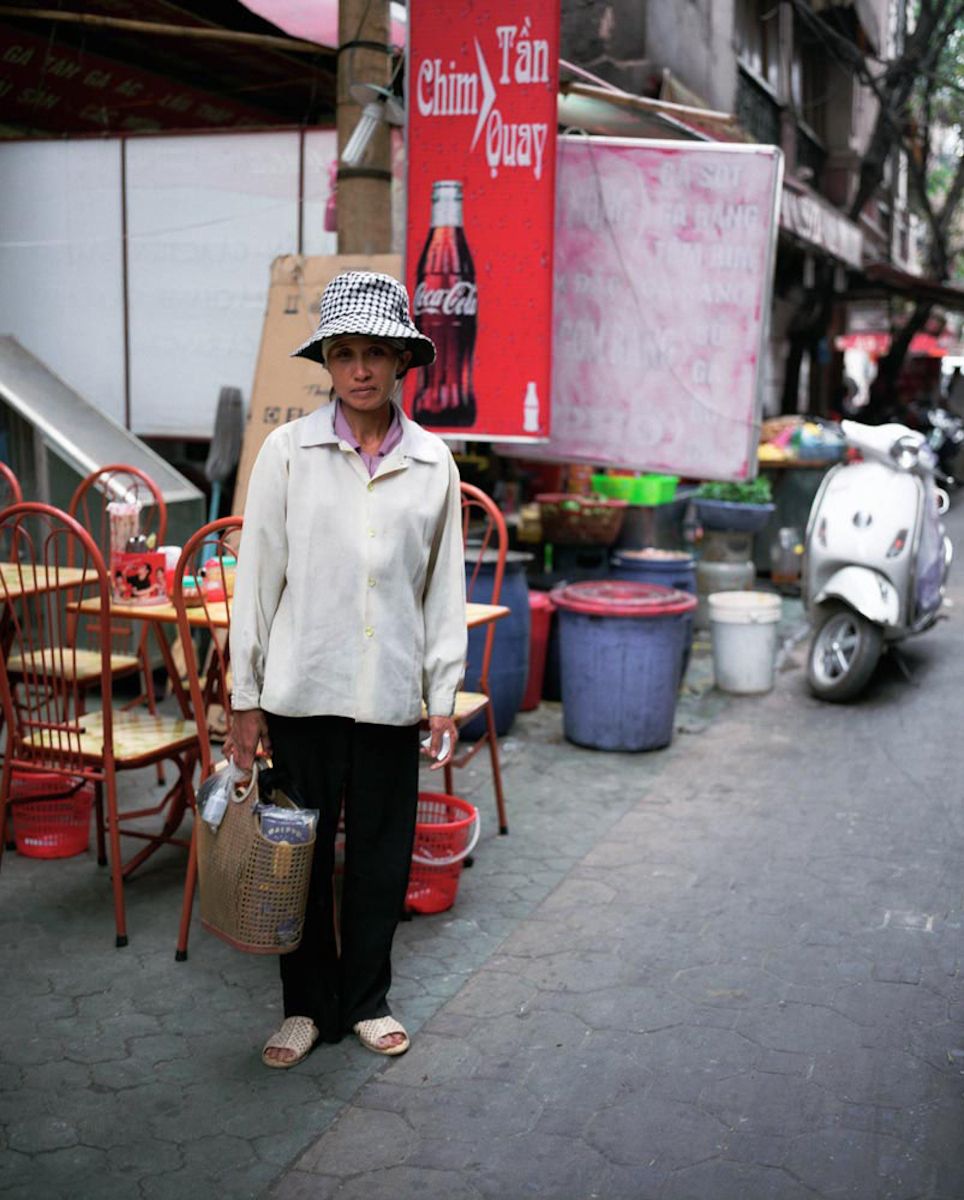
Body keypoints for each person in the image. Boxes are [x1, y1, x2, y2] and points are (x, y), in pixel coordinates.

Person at [225, 271, 466, 1068]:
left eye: (375, 352)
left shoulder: (434, 465)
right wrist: (245, 698)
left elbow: (442, 591)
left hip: (391, 695)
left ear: (402, 359)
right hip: (303, 689)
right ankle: (304, 1007)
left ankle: (366, 1000)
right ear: (328, 361)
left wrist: (441, 697)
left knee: (378, 854)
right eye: (344, 353)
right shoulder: (288, 454)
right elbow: (256, 583)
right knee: (296, 858)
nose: (360, 368)